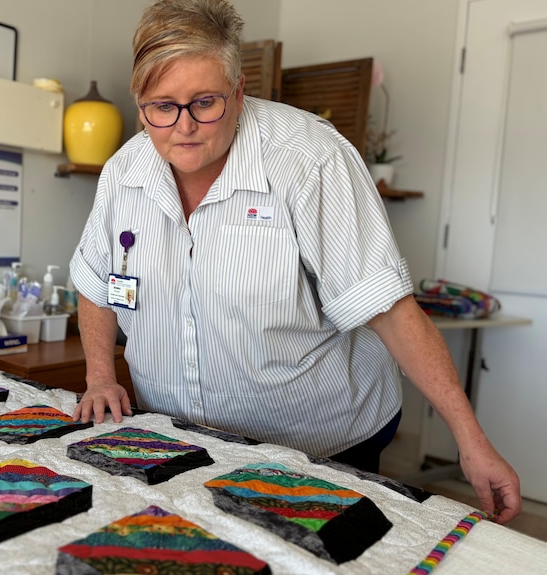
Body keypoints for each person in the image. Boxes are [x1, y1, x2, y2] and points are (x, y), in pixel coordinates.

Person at [68, 0, 521, 524]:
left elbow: (390, 311)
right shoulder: (124, 173)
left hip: (323, 446)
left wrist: (471, 440)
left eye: (205, 102)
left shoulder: (310, 159)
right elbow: (95, 282)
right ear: (140, 101)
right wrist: (101, 375)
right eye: (161, 106)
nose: (183, 126)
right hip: (180, 441)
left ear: (239, 93)